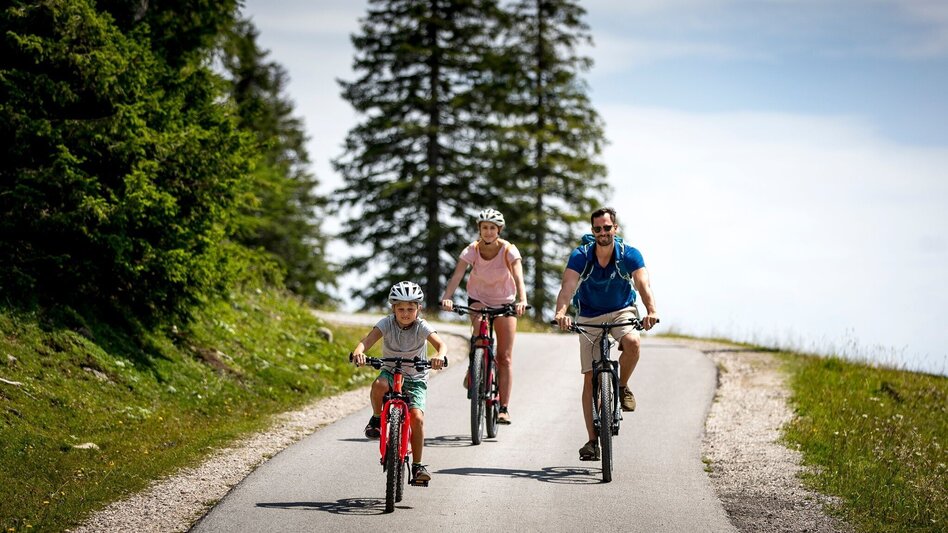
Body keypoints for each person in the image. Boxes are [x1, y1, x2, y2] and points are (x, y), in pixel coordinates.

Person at [553, 207, 659, 461]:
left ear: (615, 229)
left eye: (607, 228)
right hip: (589, 314)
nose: (603, 233)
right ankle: (592, 441)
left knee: (632, 341)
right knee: (589, 377)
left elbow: (642, 283)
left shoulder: (628, 255)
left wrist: (651, 311)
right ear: (593, 231)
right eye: (598, 229)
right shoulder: (582, 255)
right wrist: (561, 312)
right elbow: (568, 285)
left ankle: (621, 387)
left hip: (622, 310)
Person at [351, 281, 447, 483]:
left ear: (418, 308)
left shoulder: (421, 326)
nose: (405, 313)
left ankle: (418, 465)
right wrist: (359, 352)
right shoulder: (386, 323)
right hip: (390, 370)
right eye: (400, 308)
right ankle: (377, 419)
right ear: (393, 308)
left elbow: (441, 345)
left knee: (416, 418)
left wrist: (439, 356)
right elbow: (367, 341)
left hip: (415, 377)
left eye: (410, 309)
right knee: (379, 385)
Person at [440, 208, 528, 424]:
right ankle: (476, 367)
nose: (488, 232)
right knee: (480, 336)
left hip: (505, 301)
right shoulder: (473, 249)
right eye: (484, 228)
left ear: (499, 230)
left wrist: (522, 300)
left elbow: (518, 277)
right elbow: (458, 274)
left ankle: (504, 408)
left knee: (505, 357)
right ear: (479, 230)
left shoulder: (509, 250)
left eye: (492, 228)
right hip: (478, 298)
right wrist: (447, 297)